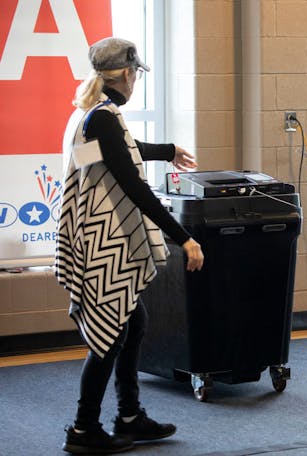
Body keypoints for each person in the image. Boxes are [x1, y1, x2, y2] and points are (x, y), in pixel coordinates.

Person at [55, 37, 205, 454]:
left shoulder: (91, 113)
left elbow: (120, 154)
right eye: (136, 73)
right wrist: (184, 238)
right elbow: (131, 183)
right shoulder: (103, 116)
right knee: (108, 335)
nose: (136, 80)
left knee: (132, 322)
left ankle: (129, 415)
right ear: (126, 73)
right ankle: (83, 430)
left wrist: (168, 151)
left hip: (96, 241)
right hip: (105, 247)